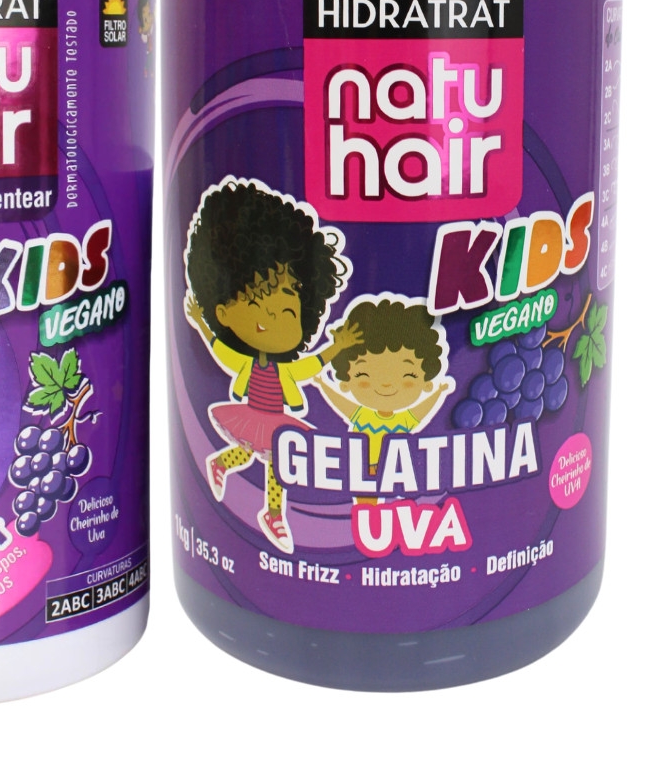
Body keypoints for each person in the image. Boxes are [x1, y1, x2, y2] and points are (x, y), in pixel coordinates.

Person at [184, 178, 358, 554]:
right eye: (259, 306)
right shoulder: (248, 361)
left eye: (288, 307)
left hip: (277, 422)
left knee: (274, 461)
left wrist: (337, 347)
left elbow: (310, 365)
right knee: (262, 456)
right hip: (255, 416)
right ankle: (254, 495)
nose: (276, 318)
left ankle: (268, 507)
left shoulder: (285, 368)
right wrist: (200, 324)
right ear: (224, 312)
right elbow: (219, 350)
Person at [314, 296, 452, 501]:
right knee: (365, 501)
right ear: (345, 382)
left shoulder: (403, 419)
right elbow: (342, 403)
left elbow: (421, 411)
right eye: (364, 375)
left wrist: (439, 392)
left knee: (404, 497)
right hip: (366, 469)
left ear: (426, 381)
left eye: (407, 375)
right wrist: (323, 384)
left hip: (402, 470)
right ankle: (365, 514)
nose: (386, 384)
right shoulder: (364, 416)